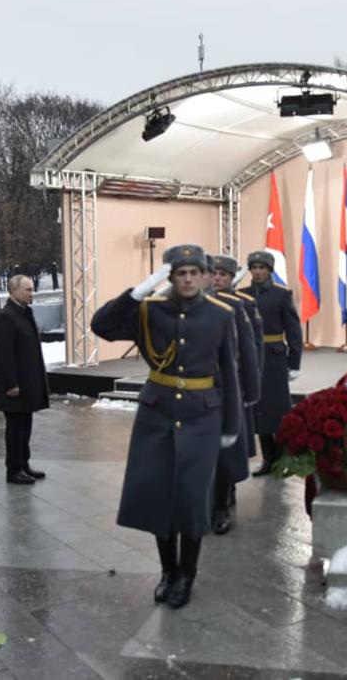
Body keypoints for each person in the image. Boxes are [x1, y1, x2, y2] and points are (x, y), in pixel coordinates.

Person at [90, 245, 242, 609]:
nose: (188, 279)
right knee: (159, 496)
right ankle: (167, 570)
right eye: (180, 273)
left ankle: (186, 574)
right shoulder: (149, 309)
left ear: (204, 275)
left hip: (203, 416)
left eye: (194, 272)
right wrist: (136, 293)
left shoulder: (221, 315)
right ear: (170, 277)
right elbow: (102, 326)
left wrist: (231, 425)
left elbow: (229, 373)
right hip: (156, 416)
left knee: (190, 499)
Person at [208, 254, 261, 534]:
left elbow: (250, 353)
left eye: (222, 275)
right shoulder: (193, 306)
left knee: (225, 453)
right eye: (212, 274)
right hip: (197, 391)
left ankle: (220, 506)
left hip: (228, 387)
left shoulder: (237, 307)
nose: (216, 279)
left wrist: (251, 390)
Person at [238, 251, 302, 476]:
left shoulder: (281, 295)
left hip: (273, 357)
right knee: (259, 410)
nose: (257, 272)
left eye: (262, 267)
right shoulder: (240, 295)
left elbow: (293, 330)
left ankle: (285, 458)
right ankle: (268, 458)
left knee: (278, 409)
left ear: (269, 270)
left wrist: (294, 363)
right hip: (250, 357)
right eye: (254, 267)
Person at [0, 275, 49, 484]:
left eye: (32, 289)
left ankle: (24, 464)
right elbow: (3, 354)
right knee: (15, 429)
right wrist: (10, 384)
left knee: (25, 426)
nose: (31, 293)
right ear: (14, 291)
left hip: (28, 382)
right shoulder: (6, 316)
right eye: (27, 289)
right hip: (15, 386)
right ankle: (13, 469)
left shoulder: (25, 313)